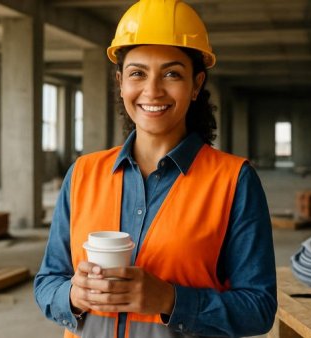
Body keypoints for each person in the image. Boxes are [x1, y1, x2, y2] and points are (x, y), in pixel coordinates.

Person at [34, 0, 277, 337]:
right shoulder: (82, 174)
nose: (152, 90)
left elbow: (259, 309)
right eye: (138, 73)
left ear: (196, 85)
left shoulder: (234, 181)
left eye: (172, 73)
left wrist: (170, 299)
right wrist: (72, 295)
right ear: (121, 83)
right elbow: (48, 281)